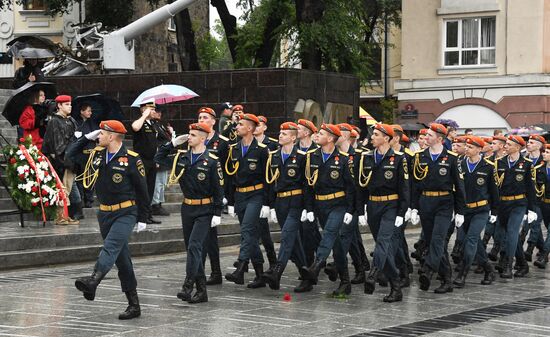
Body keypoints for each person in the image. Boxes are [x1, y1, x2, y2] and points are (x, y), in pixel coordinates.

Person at [68, 120, 150, 320]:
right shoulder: (97, 153)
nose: (98, 136)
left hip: (125, 212)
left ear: (112, 136)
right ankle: (134, 304)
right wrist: (85, 138)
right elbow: (70, 155)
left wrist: (143, 217)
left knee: (111, 247)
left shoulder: (131, 159)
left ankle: (94, 280)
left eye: (102, 133)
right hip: (104, 213)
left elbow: (142, 190)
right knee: (122, 261)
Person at [155, 122, 224, 304]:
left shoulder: (211, 160)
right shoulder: (181, 158)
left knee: (194, 246)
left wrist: (217, 212)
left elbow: (219, 189)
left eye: (193, 135)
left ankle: (188, 286)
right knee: (192, 250)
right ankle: (202, 292)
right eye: (189, 134)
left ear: (203, 138)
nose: (189, 137)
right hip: (188, 208)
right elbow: (159, 157)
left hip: (205, 209)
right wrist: (172, 143)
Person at [301, 124, 356, 297]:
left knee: (329, 232)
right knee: (337, 244)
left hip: (338, 204)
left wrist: (350, 210)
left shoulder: (344, 159)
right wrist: (309, 208)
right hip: (320, 205)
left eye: (321, 133)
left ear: (331, 138)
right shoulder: (312, 157)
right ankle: (345, 281)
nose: (317, 135)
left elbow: (351, 187)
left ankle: (317, 266)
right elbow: (307, 185)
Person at [410, 123, 466, 293]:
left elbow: (459, 185)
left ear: (440, 139)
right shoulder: (419, 157)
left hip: (444, 203)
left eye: (429, 135)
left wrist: (460, 211)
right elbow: (415, 185)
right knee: (433, 242)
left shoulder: (451, 158)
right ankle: (447, 279)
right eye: (426, 135)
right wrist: (413, 207)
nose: (426, 137)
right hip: (426, 202)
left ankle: (428, 269)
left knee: (437, 239)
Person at [357, 123, 410, 302]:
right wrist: (362, 208)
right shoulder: (367, 157)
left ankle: (373, 273)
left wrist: (402, 213)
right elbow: (361, 186)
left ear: (386, 138)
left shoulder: (399, 158)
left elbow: (405, 188)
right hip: (373, 206)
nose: (372, 137)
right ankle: (396, 287)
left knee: (383, 241)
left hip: (391, 205)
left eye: (376, 135)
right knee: (384, 248)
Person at [261, 122, 311, 292]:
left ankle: (277, 271)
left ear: (293, 137)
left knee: (287, 234)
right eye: (280, 132)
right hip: (281, 202)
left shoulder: (302, 156)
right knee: (293, 241)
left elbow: (306, 185)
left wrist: (307, 207)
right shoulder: (273, 156)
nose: (280, 135)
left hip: (296, 201)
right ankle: (307, 276)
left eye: (284, 133)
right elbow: (270, 183)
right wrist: (270, 205)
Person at [224, 113, 270, 288]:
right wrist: (230, 201)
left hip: (256, 194)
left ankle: (241, 267)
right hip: (240, 196)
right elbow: (230, 176)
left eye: (241, 124)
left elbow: (267, 179)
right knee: (249, 234)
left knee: (247, 229)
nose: (237, 127)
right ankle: (259, 275)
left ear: (250, 128)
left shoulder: (261, 150)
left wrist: (267, 203)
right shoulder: (233, 149)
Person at [453, 136, 498, 288]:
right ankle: (488, 269)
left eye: (470, 147)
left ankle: (462, 274)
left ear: (479, 149)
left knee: (471, 239)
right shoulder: (459, 164)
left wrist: (494, 212)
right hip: (465, 210)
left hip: (481, 209)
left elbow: (494, 191)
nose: (466, 149)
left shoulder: (489, 167)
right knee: (474, 242)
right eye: (466, 146)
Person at [493, 135, 537, 278]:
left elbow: (531, 188)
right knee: (509, 235)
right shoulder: (499, 163)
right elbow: (495, 186)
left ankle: (508, 265)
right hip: (503, 204)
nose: (505, 146)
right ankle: (523, 264)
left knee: (512, 232)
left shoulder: (527, 163)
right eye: (505, 143)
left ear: (518, 147)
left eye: (509, 144)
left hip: (518, 203)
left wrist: (531, 209)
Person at [197, 106, 230, 285]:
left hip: (213, 194)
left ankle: (212, 271)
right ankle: (208, 272)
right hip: (198, 194)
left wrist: (224, 195)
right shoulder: (194, 140)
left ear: (213, 121)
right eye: (200, 117)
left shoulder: (222, 142)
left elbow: (227, 170)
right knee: (205, 237)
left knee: (209, 237)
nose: (202, 120)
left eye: (205, 117)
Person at [42, 95, 81, 225]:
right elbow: (55, 143)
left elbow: (77, 137)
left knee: (68, 188)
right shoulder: (54, 121)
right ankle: (60, 216)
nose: (70, 106)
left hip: (71, 159)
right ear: (59, 105)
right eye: (66, 104)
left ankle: (65, 214)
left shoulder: (71, 120)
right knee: (61, 187)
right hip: (61, 160)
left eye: (70, 104)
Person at [253, 115, 278, 268]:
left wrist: (270, 201)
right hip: (250, 191)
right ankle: (250, 258)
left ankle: (272, 259)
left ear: (265, 127)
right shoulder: (245, 143)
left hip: (265, 190)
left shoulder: (272, 144)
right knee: (250, 229)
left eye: (259, 124)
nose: (256, 127)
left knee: (263, 230)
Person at [131, 99, 161, 225]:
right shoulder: (141, 122)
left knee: (150, 188)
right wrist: (144, 115)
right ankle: (140, 215)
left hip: (152, 160)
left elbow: (155, 143)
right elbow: (135, 127)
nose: (154, 111)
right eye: (151, 109)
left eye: (154, 109)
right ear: (143, 109)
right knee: (142, 189)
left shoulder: (153, 124)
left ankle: (148, 214)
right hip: (141, 160)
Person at [296, 119, 321, 267]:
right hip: (297, 195)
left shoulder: (316, 151)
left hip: (313, 196)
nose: (296, 131)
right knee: (305, 229)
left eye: (299, 129)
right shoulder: (293, 149)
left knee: (308, 228)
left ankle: (309, 262)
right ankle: (319, 255)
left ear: (307, 133)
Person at [521, 135, 546, 263]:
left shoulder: (545, 160)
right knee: (531, 223)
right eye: (528, 142)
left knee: (533, 223)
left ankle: (529, 249)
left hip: (540, 198)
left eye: (531, 142)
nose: (528, 144)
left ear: (539, 145)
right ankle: (542, 248)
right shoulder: (524, 160)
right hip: (526, 198)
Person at [74, 103, 99, 209]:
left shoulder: (92, 123)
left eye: (90, 111)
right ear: (82, 111)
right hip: (81, 153)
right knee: (80, 177)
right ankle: (81, 198)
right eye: (88, 111)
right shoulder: (76, 123)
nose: (90, 113)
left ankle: (89, 199)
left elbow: (97, 136)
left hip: (91, 153)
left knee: (90, 176)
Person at [150, 107, 173, 217]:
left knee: (162, 182)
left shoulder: (160, 125)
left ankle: (159, 202)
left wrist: (171, 132)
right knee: (158, 183)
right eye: (156, 111)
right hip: (159, 156)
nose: (159, 113)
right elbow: (155, 143)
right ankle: (155, 204)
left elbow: (168, 141)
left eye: (160, 111)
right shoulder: (153, 125)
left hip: (164, 157)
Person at [534, 144, 550, 268]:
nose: (544, 154)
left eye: (547, 152)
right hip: (544, 203)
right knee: (544, 226)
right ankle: (542, 247)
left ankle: (544, 255)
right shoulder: (540, 168)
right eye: (544, 151)